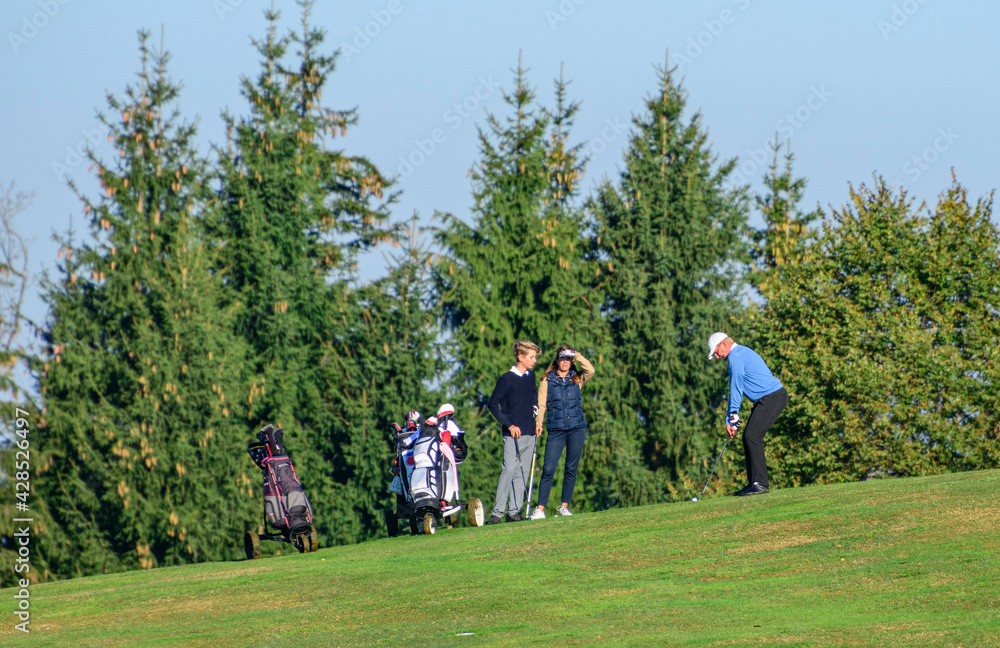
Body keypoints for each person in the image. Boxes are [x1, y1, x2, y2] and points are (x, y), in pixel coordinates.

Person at [707, 332, 789, 496]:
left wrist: (733, 414)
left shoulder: (735, 357)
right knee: (749, 436)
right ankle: (754, 483)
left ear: (724, 344)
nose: (717, 356)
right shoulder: (740, 353)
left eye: (716, 352)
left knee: (752, 436)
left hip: (773, 397)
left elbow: (736, 387)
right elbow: (735, 389)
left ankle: (760, 484)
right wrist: (730, 419)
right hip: (769, 399)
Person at [529, 345, 595, 519]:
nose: (565, 362)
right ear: (557, 360)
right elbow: (541, 404)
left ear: (571, 361)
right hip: (556, 429)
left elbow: (591, 370)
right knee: (548, 469)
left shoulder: (577, 378)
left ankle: (564, 507)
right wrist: (539, 422)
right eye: (562, 358)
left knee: (571, 468)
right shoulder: (547, 379)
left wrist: (577, 355)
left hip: (577, 428)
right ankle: (540, 509)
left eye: (568, 359)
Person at [485, 340, 540, 524]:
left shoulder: (531, 376)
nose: (534, 361)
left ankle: (514, 512)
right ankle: (497, 514)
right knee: (508, 469)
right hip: (512, 434)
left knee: (522, 473)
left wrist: (535, 413)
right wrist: (509, 425)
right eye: (531, 357)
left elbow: (533, 395)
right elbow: (493, 404)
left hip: (530, 432)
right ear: (520, 357)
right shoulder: (506, 379)